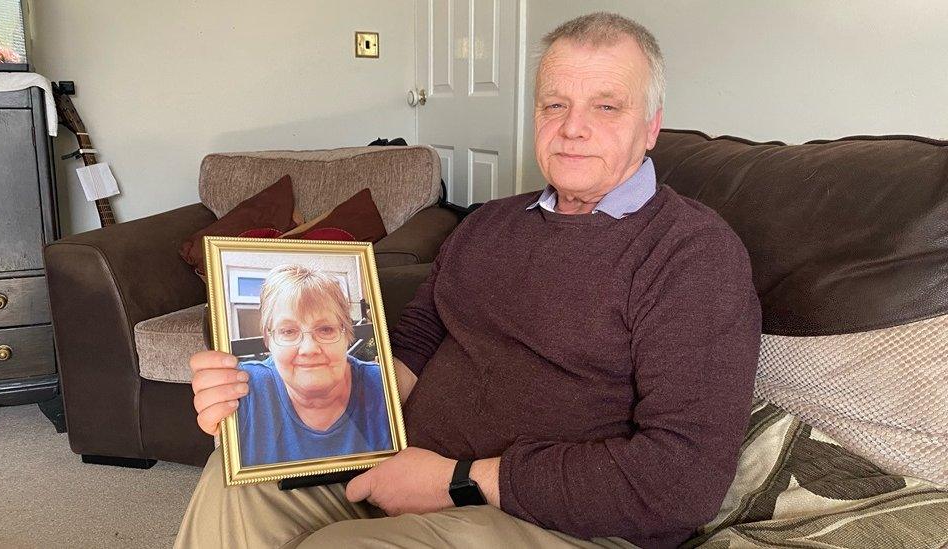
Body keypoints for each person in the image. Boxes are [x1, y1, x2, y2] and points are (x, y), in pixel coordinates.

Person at [177, 12, 761, 549]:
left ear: (652, 126)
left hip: (557, 520)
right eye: (554, 105)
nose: (572, 129)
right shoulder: (488, 225)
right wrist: (277, 404)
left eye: (606, 107)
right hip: (407, 465)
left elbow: (680, 481)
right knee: (238, 481)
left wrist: (453, 482)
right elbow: (411, 348)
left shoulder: (690, 255)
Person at [234, 265, 392, 467]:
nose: (309, 348)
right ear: (268, 340)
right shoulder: (243, 388)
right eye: (289, 331)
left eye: (326, 329)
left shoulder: (383, 386)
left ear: (347, 335)